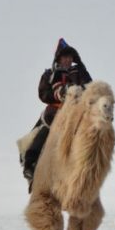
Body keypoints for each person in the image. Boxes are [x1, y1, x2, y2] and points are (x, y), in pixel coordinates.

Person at [20, 38, 92, 187]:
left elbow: (90, 87)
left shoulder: (79, 72)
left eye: (70, 57)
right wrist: (59, 95)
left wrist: (80, 91)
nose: (68, 60)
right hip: (56, 110)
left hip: (78, 110)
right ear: (59, 58)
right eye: (65, 57)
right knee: (45, 128)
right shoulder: (49, 74)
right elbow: (43, 94)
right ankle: (31, 163)